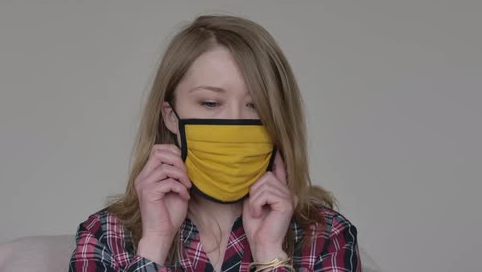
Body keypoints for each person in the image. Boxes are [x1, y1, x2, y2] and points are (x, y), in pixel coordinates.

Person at [69, 15, 361, 272]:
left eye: (255, 106)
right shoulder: (106, 235)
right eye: (210, 103)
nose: (235, 121)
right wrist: (154, 245)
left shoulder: (327, 235)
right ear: (171, 116)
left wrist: (270, 254)